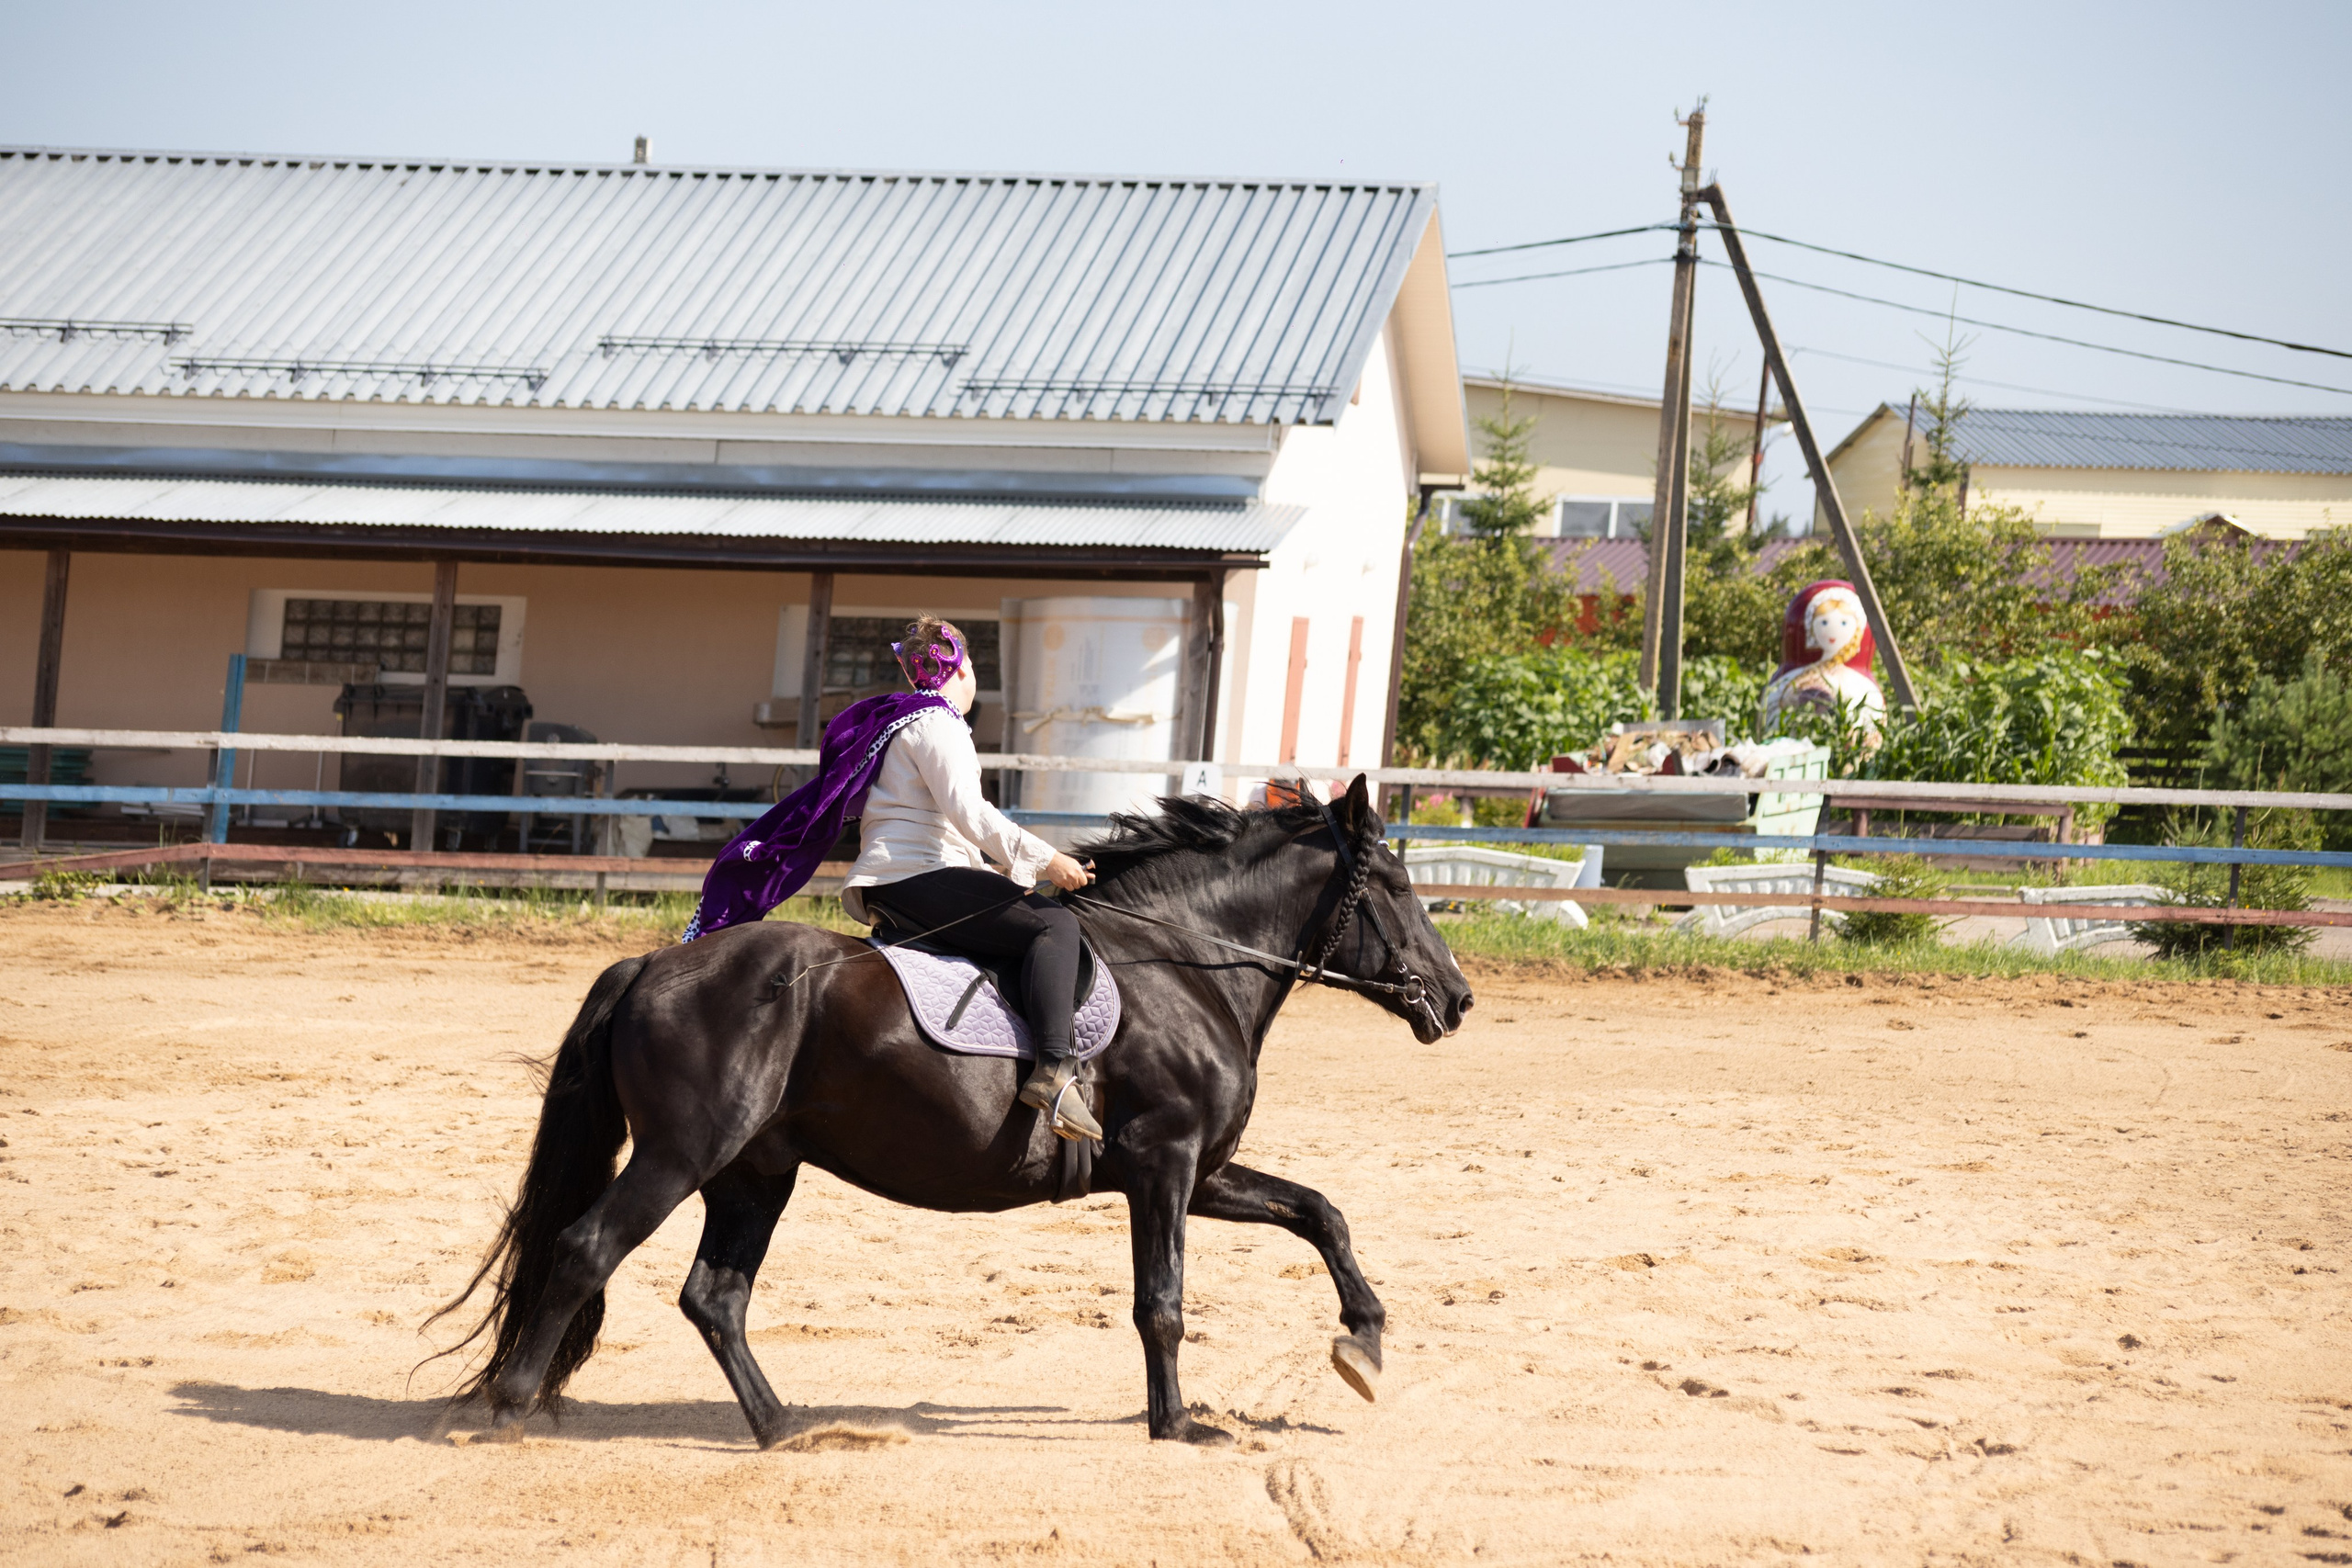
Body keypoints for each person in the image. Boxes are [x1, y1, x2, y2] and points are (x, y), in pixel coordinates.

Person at [682, 615, 1101, 1141]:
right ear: (963, 670)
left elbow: (947, 827)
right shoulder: (940, 724)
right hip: (917, 875)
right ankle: (1055, 1071)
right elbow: (972, 814)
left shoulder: (902, 721)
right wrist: (1048, 861)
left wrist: (1004, 869)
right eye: (971, 669)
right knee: (1054, 927)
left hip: (901, 877)